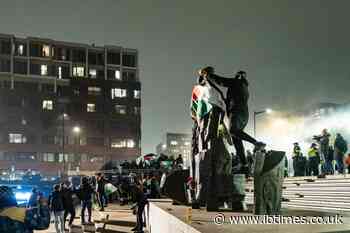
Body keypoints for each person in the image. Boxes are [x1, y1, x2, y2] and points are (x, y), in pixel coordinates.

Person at [202, 68, 265, 174]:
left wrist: (209, 75)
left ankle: (256, 143)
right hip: (243, 114)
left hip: (236, 111)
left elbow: (221, 81)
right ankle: (244, 165)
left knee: (233, 131)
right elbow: (234, 98)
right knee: (236, 138)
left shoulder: (237, 82)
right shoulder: (244, 87)